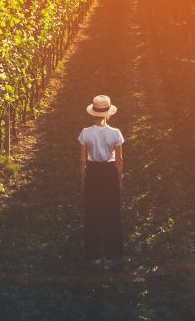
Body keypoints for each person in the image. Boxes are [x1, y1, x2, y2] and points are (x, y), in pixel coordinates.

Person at [78, 95, 124, 267]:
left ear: (94, 113)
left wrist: (84, 180)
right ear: (108, 113)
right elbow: (119, 160)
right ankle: (111, 255)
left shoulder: (85, 133)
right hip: (110, 172)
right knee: (111, 212)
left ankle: (94, 255)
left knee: (93, 213)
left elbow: (82, 160)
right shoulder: (115, 133)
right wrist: (119, 180)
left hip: (93, 172)